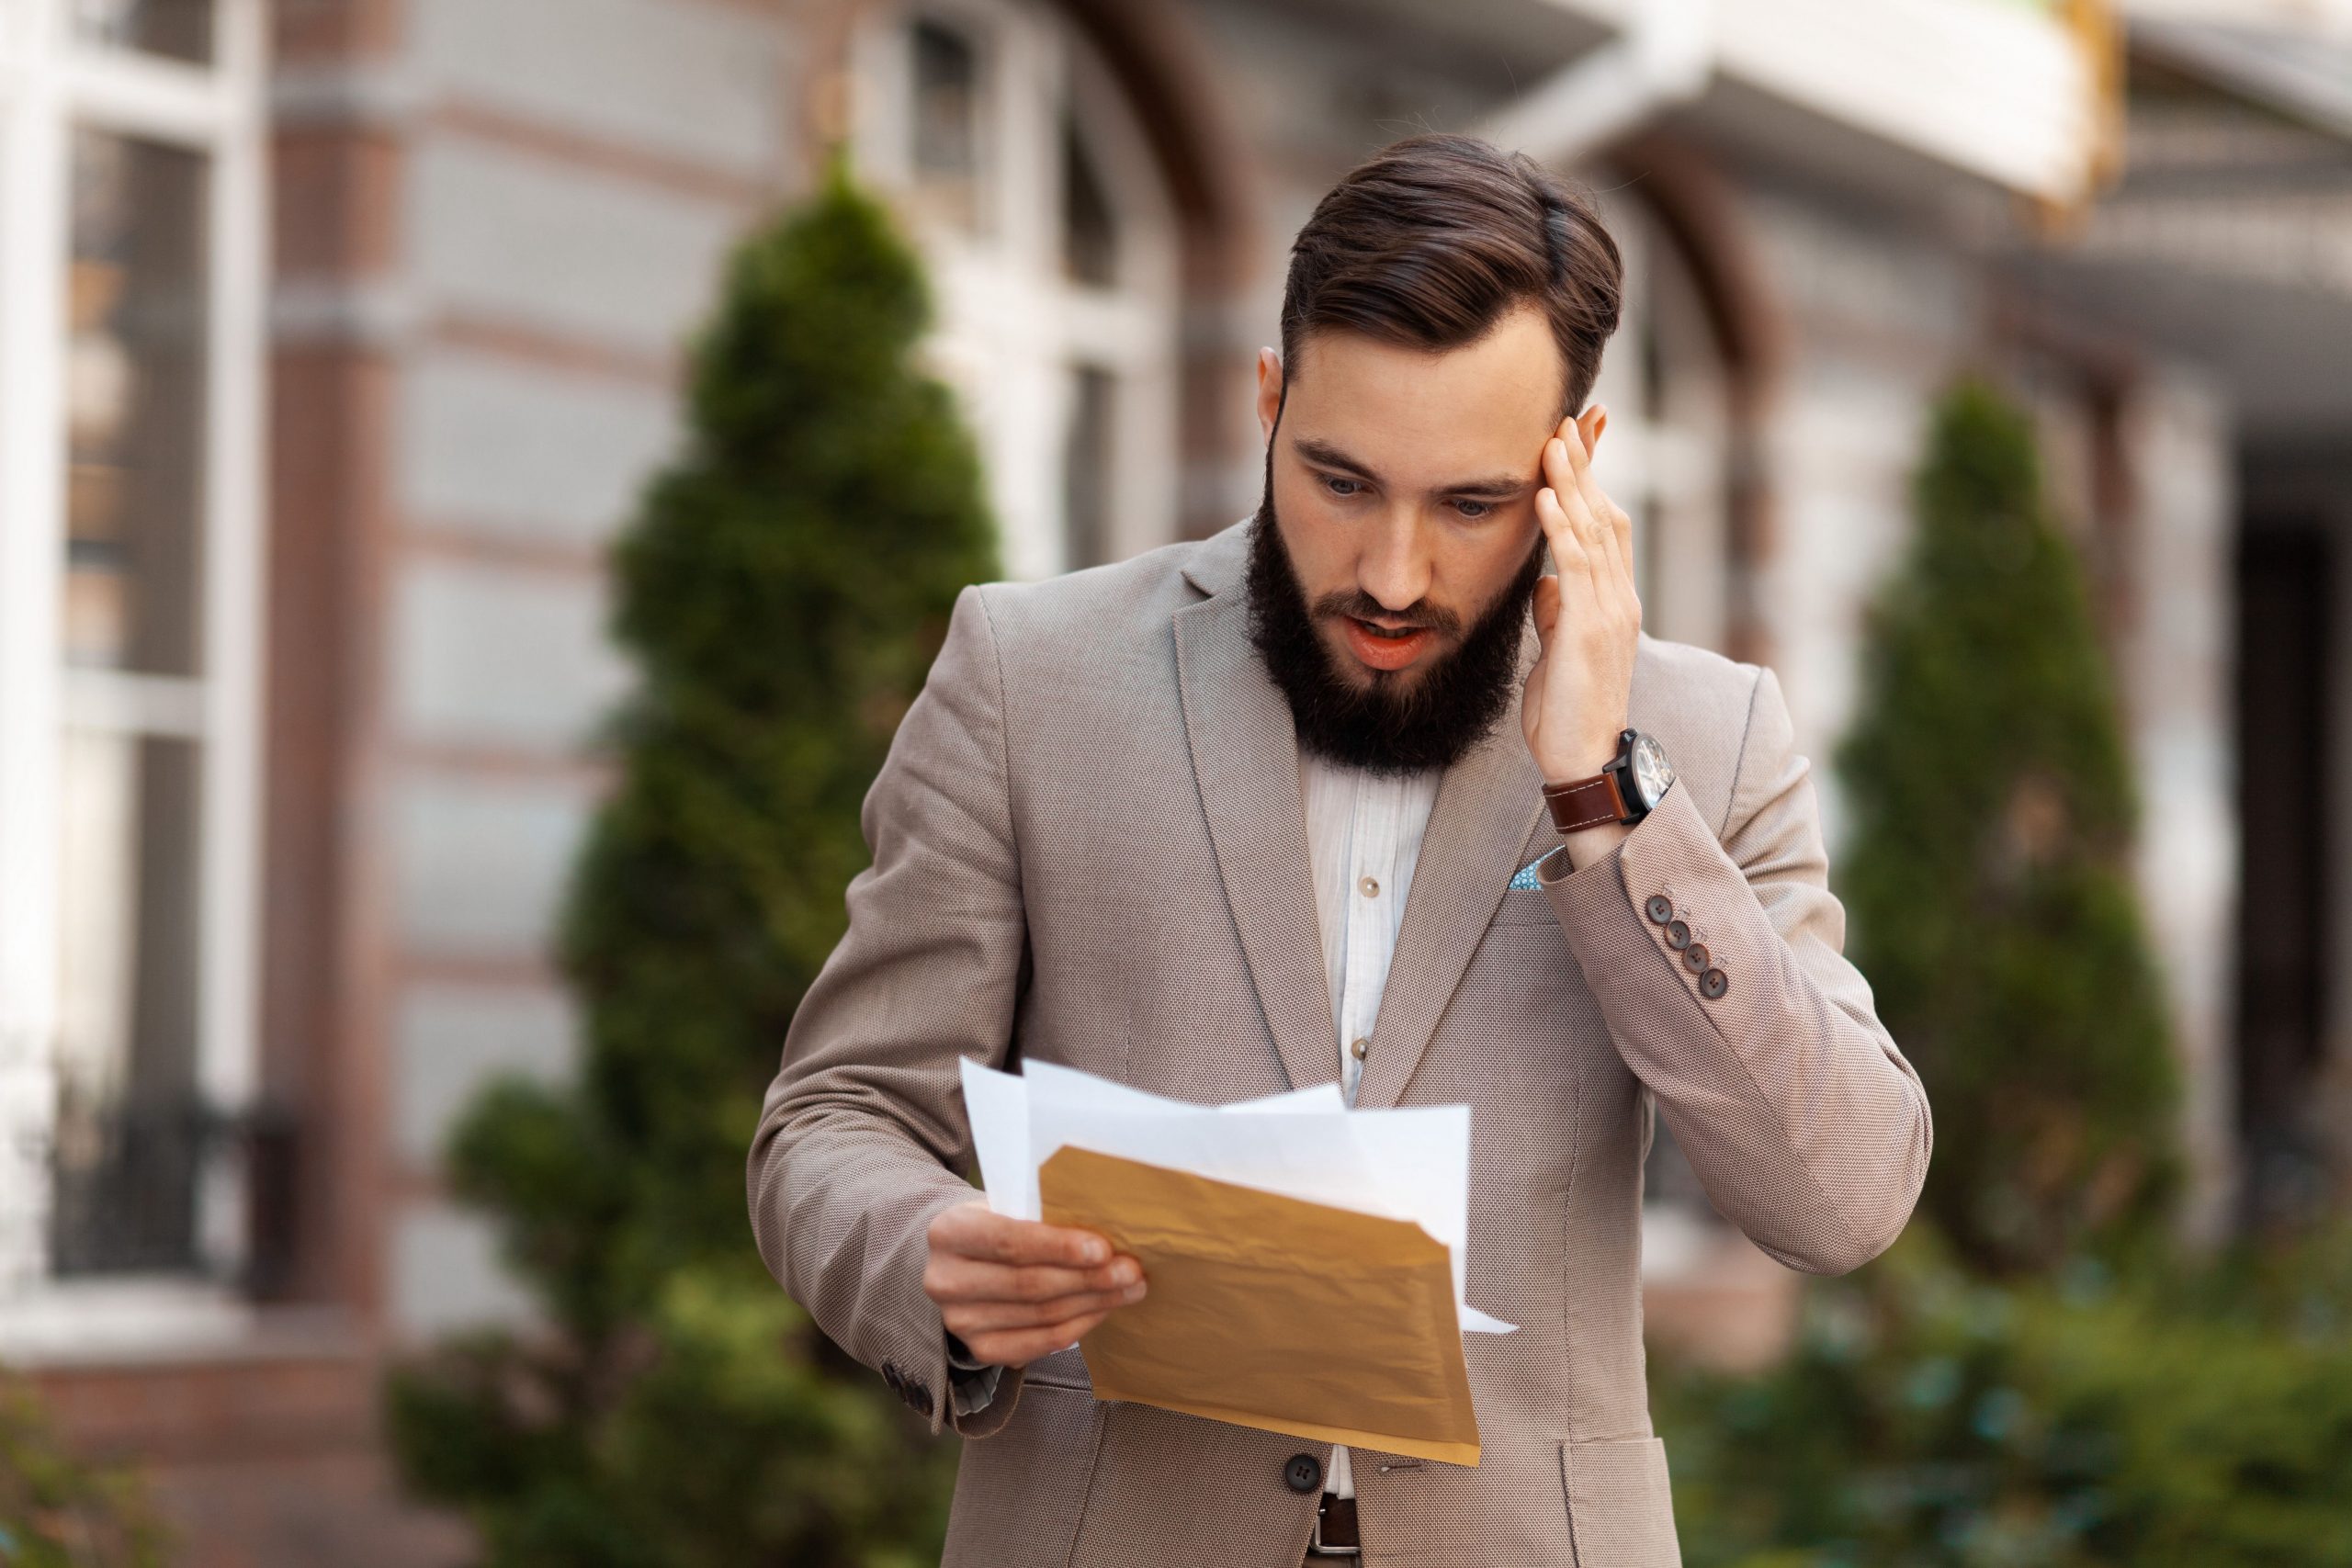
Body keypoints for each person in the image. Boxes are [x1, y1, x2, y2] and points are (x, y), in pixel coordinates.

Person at [749, 132, 1930, 1568]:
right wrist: (923, 1254)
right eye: (1341, 481)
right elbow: (834, 1120)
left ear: (1576, 467)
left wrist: (1606, 806)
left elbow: (1843, 1199)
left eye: (1472, 505)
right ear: (1268, 400)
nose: (1390, 573)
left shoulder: (1709, 737)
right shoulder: (1026, 676)